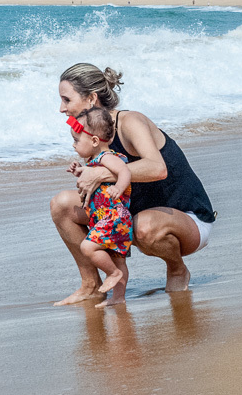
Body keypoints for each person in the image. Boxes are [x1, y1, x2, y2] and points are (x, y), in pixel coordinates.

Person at [52, 63, 215, 305]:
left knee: (144, 227)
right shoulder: (90, 136)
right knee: (62, 204)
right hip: (132, 215)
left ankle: (177, 268)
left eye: (67, 100)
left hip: (186, 218)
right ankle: (92, 284)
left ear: (91, 99)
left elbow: (157, 168)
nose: (61, 108)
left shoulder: (130, 122)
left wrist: (102, 175)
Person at [66, 107, 133, 308]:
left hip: (114, 216)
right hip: (108, 217)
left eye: (77, 140)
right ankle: (118, 297)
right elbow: (96, 179)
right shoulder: (95, 161)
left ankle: (112, 274)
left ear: (95, 141)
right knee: (117, 258)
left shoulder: (106, 158)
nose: (73, 144)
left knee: (87, 246)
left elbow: (125, 172)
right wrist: (79, 171)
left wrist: (120, 187)